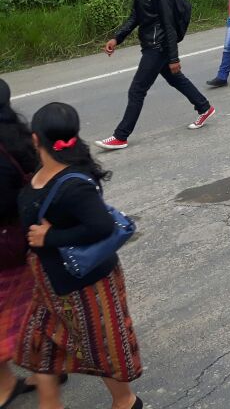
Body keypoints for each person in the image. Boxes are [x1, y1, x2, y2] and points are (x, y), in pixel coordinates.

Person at [18, 102, 143, 409]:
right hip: (51, 282)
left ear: (36, 139)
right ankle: (50, 403)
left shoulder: (73, 184)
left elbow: (100, 226)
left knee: (101, 347)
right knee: (42, 339)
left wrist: (50, 237)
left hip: (85, 286)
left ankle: (126, 402)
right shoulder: (46, 171)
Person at [96, 0, 214, 150]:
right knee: (175, 79)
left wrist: (174, 58)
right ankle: (204, 107)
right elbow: (135, 16)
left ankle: (121, 136)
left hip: (158, 47)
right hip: (150, 44)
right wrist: (117, 38)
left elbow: (169, 27)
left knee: (137, 90)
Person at [0, 80, 37, 408]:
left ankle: (6, 384)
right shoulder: (22, 137)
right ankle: (47, 368)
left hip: (7, 247)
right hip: (28, 239)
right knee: (34, 306)